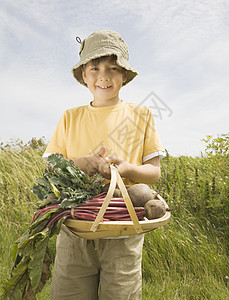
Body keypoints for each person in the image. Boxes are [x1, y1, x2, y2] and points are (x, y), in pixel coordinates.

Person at [43, 30, 165, 300]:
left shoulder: (141, 114)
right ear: (84, 75)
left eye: (113, 68)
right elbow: (53, 168)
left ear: (124, 75)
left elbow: (153, 173)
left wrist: (128, 169)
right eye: (95, 68)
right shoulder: (70, 117)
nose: (104, 76)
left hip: (124, 229)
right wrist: (84, 163)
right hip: (76, 229)